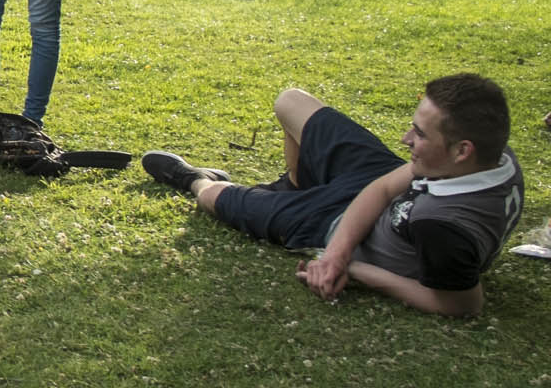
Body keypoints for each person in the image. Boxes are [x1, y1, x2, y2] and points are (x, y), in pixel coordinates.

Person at [142, 75, 525, 316]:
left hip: (332, 221)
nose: (407, 139)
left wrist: (352, 267)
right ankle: (294, 186)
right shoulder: (494, 157)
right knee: (289, 101)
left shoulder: (442, 228)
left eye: (421, 135)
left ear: (462, 150)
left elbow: (462, 303)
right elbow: (384, 186)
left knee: (214, 197)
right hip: (372, 183)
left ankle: (194, 178)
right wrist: (340, 256)